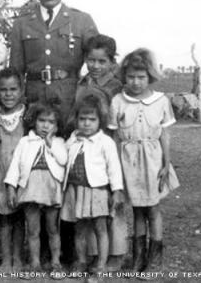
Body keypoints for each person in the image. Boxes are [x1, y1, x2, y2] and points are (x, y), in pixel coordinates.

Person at [108, 48, 180, 272]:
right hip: (128, 161)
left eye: (141, 77)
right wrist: (115, 168)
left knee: (153, 209)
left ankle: (154, 260)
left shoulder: (161, 101)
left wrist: (166, 164)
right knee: (137, 210)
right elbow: (113, 137)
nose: (136, 82)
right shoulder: (118, 101)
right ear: (124, 76)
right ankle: (138, 258)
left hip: (153, 161)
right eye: (131, 77)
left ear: (150, 77)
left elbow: (165, 135)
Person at [9, 0, 98, 127]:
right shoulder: (22, 24)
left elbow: (100, 61)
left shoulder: (82, 20)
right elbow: (15, 71)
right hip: (34, 102)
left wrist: (90, 93)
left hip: (70, 101)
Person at [71, 34, 128, 271]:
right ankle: (92, 255)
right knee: (91, 208)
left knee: (114, 203)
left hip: (111, 146)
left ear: (112, 62)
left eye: (102, 61)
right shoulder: (83, 83)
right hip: (88, 150)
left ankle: (118, 253)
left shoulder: (116, 86)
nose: (95, 66)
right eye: (91, 60)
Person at [61, 94, 124, 276]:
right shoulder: (73, 140)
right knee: (79, 228)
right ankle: (81, 261)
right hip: (76, 190)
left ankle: (101, 265)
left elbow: (114, 167)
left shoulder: (105, 142)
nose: (86, 123)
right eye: (82, 119)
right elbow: (63, 159)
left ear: (100, 121)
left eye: (92, 119)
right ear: (76, 119)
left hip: (97, 192)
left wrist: (117, 190)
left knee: (100, 228)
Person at [4, 100, 67, 273]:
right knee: (33, 229)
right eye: (42, 121)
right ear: (34, 121)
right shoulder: (25, 141)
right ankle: (34, 262)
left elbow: (63, 160)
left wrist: (49, 142)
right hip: (30, 187)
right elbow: (15, 165)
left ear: (56, 125)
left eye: (51, 122)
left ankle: (55, 262)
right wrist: (11, 187)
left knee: (53, 228)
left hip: (51, 188)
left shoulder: (59, 142)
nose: (46, 125)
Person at [0, 68, 26, 273]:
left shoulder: (26, 116)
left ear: (21, 90)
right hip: (1, 174)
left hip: (21, 176)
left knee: (19, 220)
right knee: (3, 218)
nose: (8, 94)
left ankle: (18, 257)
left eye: (13, 89)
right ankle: (6, 258)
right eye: (3, 90)